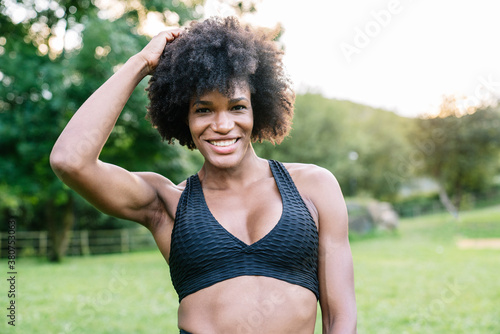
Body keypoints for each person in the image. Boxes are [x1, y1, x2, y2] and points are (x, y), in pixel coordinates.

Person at [50, 16, 357, 334]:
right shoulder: (165, 202)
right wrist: (141, 63)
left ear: (257, 109)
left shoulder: (314, 186)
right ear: (183, 117)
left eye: (237, 107)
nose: (223, 125)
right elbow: (70, 161)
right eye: (204, 109)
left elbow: (340, 317)